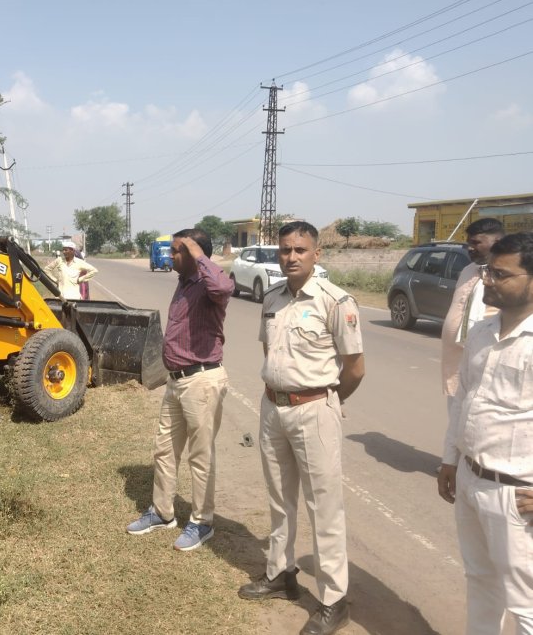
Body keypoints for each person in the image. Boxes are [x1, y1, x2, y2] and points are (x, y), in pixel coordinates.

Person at [238, 221, 365, 635]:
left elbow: (355, 368)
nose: (291, 257)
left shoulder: (335, 300)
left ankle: (333, 600)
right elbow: (268, 349)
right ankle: (281, 573)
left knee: (323, 508)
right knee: (279, 498)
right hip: (273, 407)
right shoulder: (272, 298)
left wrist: (326, 402)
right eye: (285, 250)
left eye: (300, 250)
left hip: (315, 409)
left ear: (317, 254)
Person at [437, 231, 533, 635]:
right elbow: (462, 402)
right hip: (470, 479)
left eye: (501, 274)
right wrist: (449, 460)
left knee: (525, 601)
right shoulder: (481, 331)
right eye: (487, 272)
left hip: (515, 494)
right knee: (480, 584)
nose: (488, 282)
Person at [126, 228, 233, 552]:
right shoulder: (184, 283)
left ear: (193, 253)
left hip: (202, 380)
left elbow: (224, 287)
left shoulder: (209, 283)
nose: (170, 256)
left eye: (176, 251)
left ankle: (202, 522)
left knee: (200, 456)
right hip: (177, 381)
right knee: (164, 449)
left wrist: (200, 255)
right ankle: (162, 511)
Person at [441, 218, 504, 414]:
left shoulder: (508, 274)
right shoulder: (468, 270)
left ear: (497, 242)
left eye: (476, 242)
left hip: (486, 357)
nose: (470, 247)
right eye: (469, 242)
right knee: (456, 414)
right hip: (457, 360)